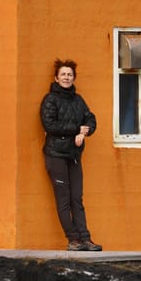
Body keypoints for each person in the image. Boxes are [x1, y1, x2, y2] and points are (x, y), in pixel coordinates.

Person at [40, 58, 102, 251]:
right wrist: (76, 129)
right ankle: (73, 239)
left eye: (70, 75)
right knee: (64, 198)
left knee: (77, 197)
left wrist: (85, 131)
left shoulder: (78, 100)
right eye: (63, 74)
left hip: (74, 155)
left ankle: (86, 238)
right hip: (56, 155)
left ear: (74, 78)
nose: (66, 77)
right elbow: (49, 125)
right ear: (56, 78)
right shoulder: (50, 99)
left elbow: (90, 119)